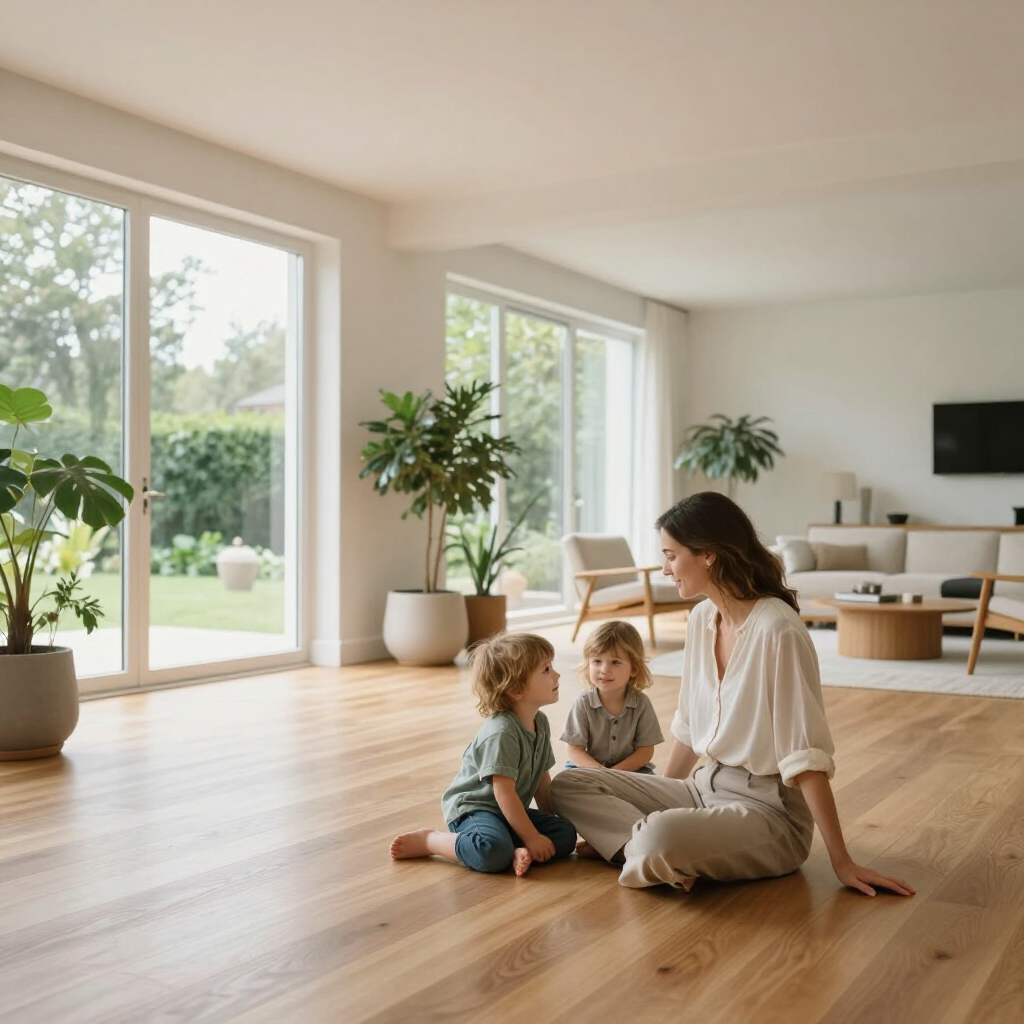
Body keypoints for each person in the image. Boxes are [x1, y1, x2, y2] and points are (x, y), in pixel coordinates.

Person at [550, 492, 915, 898]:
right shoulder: (702, 618)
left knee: (659, 836)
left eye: (671, 555)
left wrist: (842, 862)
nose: (666, 568)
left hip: (767, 813)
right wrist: (663, 803)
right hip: (701, 788)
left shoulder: (778, 629)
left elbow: (805, 754)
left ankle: (640, 849)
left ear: (707, 554)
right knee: (569, 784)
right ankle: (648, 853)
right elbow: (689, 731)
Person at [390, 632, 577, 877]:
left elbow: (542, 778)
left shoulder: (539, 722)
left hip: (505, 811)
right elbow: (503, 793)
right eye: (546, 670)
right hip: (475, 809)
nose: (557, 674)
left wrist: (544, 827)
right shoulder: (502, 733)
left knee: (565, 834)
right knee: (491, 851)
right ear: (516, 689)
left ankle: (515, 850)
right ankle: (431, 840)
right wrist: (532, 836)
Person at [561, 620, 664, 773]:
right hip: (590, 770)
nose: (604, 670)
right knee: (564, 782)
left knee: (653, 787)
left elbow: (645, 751)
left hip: (631, 771)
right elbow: (575, 749)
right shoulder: (583, 703)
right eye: (597, 661)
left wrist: (615, 774)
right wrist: (602, 773)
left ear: (634, 668)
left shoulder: (641, 703)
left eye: (615, 662)